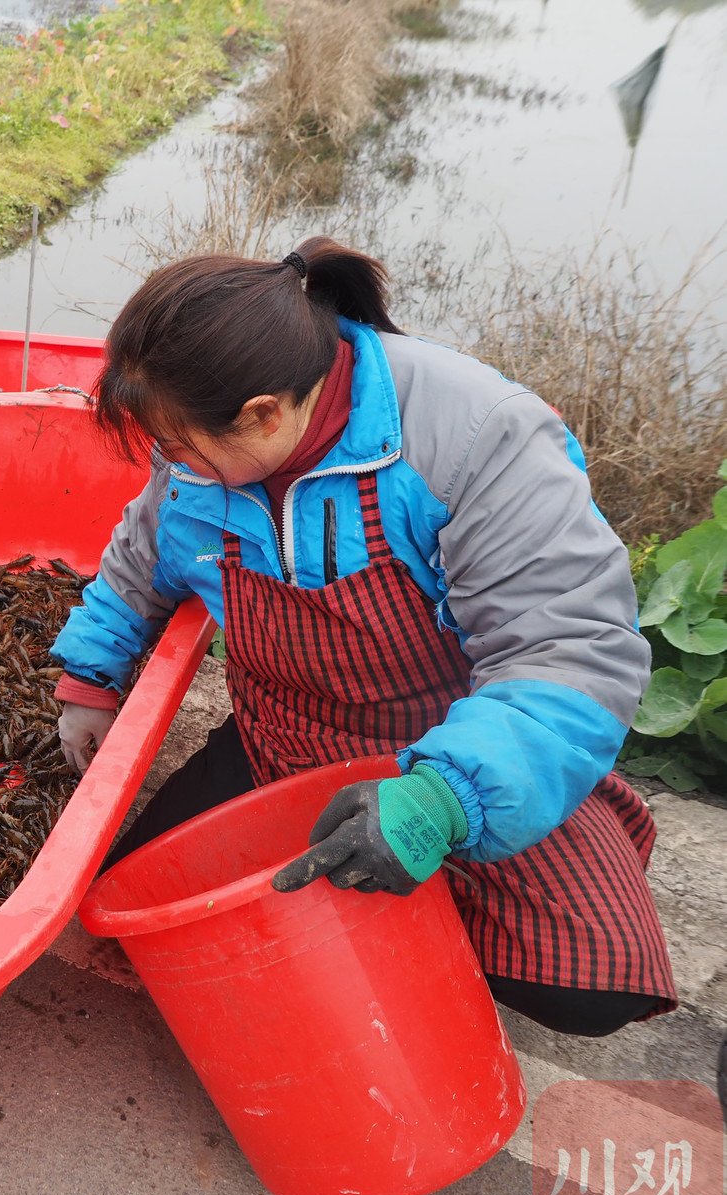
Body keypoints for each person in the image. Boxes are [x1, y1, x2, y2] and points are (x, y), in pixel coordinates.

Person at [52, 238, 677, 1039]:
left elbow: (570, 651)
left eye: (178, 450)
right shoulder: (203, 457)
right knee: (131, 904)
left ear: (264, 414)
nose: (169, 468)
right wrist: (89, 673)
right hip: (279, 739)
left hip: (454, 747)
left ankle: (443, 870)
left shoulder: (474, 437)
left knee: (591, 989)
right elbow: (145, 551)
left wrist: (445, 797)